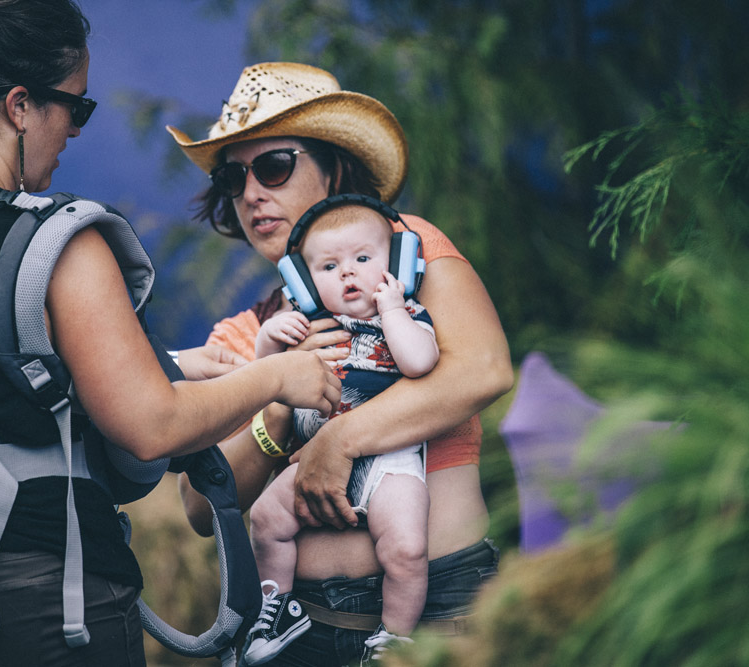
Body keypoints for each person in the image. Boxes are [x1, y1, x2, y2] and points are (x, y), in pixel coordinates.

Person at [0, 8, 340, 667]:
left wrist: (175, 364)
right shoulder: (57, 239)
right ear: (20, 106)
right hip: (27, 603)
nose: (73, 133)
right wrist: (276, 378)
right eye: (75, 107)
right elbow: (151, 424)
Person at [168, 62, 514, 665]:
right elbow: (200, 507)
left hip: (438, 619)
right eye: (233, 177)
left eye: (273, 166)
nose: (251, 193)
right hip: (299, 628)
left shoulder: (404, 261)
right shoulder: (249, 333)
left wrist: (340, 440)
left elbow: (483, 368)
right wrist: (278, 398)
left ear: (334, 165)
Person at [243, 201, 439, 665]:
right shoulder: (306, 326)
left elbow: (419, 362)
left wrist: (392, 311)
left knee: (408, 548)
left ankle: (395, 638)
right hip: (311, 458)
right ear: (306, 283)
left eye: (363, 260)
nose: (348, 274)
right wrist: (271, 338)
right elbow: (262, 379)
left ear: (395, 265)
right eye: (330, 267)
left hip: (388, 461)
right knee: (266, 520)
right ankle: (275, 609)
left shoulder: (411, 314)